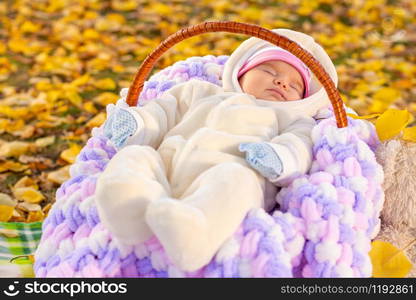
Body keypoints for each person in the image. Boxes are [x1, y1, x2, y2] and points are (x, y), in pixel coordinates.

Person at [94, 28, 338, 272]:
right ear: (241, 73)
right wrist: (137, 123)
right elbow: (161, 112)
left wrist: (279, 158)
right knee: (136, 156)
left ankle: (194, 234)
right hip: (166, 167)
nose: (282, 82)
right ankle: (129, 209)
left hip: (229, 176)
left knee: (235, 180)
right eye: (268, 70)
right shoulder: (198, 91)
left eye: (295, 86)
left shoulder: (291, 120)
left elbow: (299, 147)